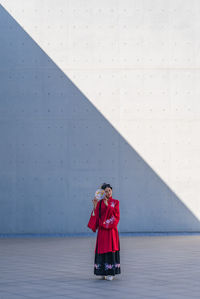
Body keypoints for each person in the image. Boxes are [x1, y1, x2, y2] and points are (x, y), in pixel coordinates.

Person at [87, 183, 121, 280]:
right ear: (102, 193)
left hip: (111, 232)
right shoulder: (100, 203)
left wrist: (108, 206)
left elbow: (116, 216)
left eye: (109, 190)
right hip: (102, 232)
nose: (108, 193)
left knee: (110, 250)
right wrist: (95, 206)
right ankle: (102, 271)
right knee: (102, 250)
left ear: (112, 191)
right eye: (106, 191)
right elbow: (96, 217)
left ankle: (111, 273)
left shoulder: (116, 202)